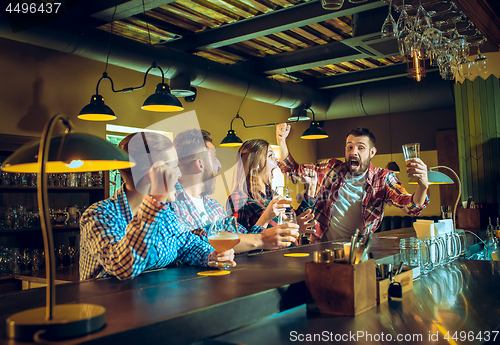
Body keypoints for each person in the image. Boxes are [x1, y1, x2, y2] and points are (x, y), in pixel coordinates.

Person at [80, 132, 235, 280]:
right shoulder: (99, 215)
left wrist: (212, 255)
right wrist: (156, 199)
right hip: (110, 305)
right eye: (174, 167)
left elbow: (187, 244)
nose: (179, 174)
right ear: (154, 172)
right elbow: (123, 267)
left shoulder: (165, 214)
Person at [276, 124, 429, 241]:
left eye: (360, 148)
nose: (353, 151)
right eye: (350, 147)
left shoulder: (383, 178)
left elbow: (411, 207)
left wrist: (422, 186)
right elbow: (292, 171)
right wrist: (281, 141)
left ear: (372, 152)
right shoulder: (331, 168)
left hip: (357, 252)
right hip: (321, 247)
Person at [172, 129, 299, 252]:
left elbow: (243, 238)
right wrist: (261, 234)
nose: (219, 165)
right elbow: (192, 244)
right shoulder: (172, 204)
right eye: (214, 157)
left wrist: (261, 237)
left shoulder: (213, 205)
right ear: (200, 165)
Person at [226, 138, 317, 237]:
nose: (277, 159)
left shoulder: (272, 194)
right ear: (255, 163)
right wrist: (289, 227)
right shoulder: (238, 199)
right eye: (270, 155)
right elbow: (239, 244)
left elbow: (296, 219)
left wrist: (311, 188)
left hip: (289, 251)